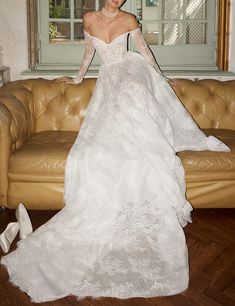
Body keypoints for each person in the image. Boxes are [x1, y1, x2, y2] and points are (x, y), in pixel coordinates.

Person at [0, 0, 230, 303]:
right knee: (104, 138)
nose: (116, 0)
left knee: (140, 120)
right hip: (109, 78)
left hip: (131, 73)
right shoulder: (89, 18)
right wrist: (79, 77)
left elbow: (144, 52)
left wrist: (160, 78)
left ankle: (146, 158)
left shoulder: (130, 19)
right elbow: (89, 52)